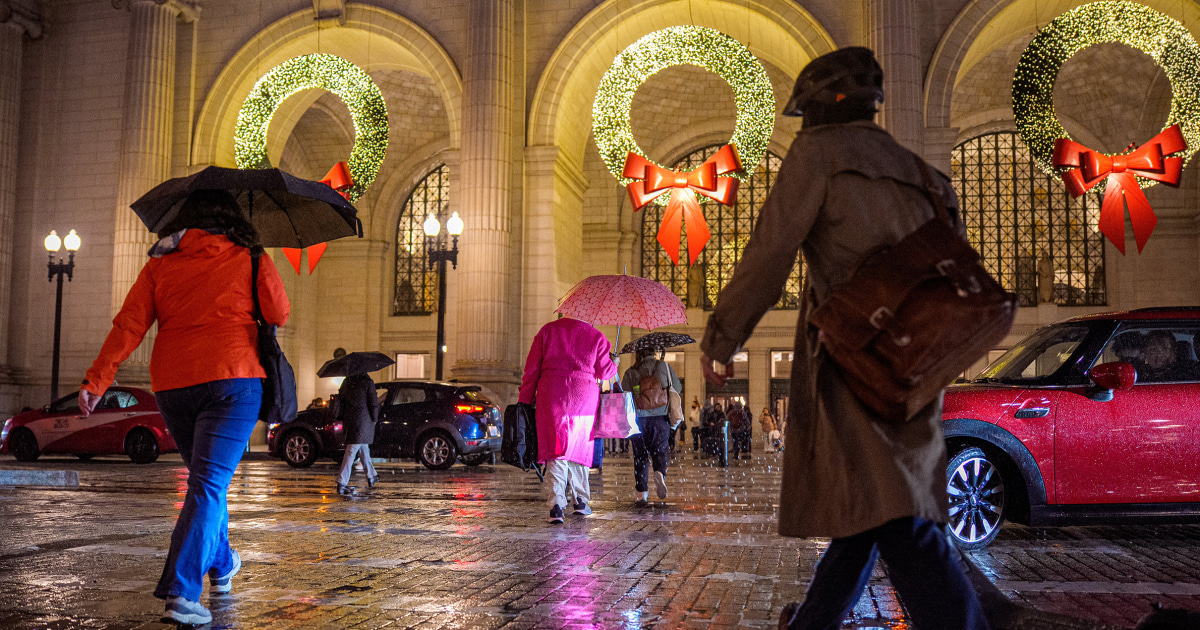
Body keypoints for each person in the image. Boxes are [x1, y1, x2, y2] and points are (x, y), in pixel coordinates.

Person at [699, 48, 987, 630]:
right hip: (918, 358)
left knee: (897, 515)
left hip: (856, 358)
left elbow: (769, 254)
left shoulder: (818, 156)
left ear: (817, 109)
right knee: (871, 505)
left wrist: (722, 337)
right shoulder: (920, 171)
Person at [79, 189, 289, 626]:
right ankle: (182, 593)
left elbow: (130, 324)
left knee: (206, 481)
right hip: (234, 376)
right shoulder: (249, 256)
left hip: (174, 383)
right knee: (209, 484)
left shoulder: (160, 262)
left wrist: (98, 379)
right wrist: (255, 265)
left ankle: (224, 562)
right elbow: (279, 313)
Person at [518, 315, 618, 523]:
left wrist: (525, 400)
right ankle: (580, 501)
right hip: (584, 397)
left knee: (557, 448)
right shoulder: (596, 336)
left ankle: (556, 505)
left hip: (552, 394)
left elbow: (531, 371)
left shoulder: (547, 331)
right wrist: (614, 363)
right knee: (579, 449)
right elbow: (605, 371)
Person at [621, 347, 681, 506]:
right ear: (653, 352)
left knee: (640, 457)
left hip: (638, 420)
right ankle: (660, 472)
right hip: (660, 419)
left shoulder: (631, 371)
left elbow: (625, 395)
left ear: (638, 354)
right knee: (660, 451)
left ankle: (641, 494)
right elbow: (677, 387)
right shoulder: (664, 367)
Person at [334, 372, 381, 495]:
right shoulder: (367, 383)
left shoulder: (347, 382)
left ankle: (372, 475)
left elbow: (341, 399)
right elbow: (373, 402)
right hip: (364, 420)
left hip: (350, 419)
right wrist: (375, 418)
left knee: (363, 448)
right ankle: (342, 482)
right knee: (352, 449)